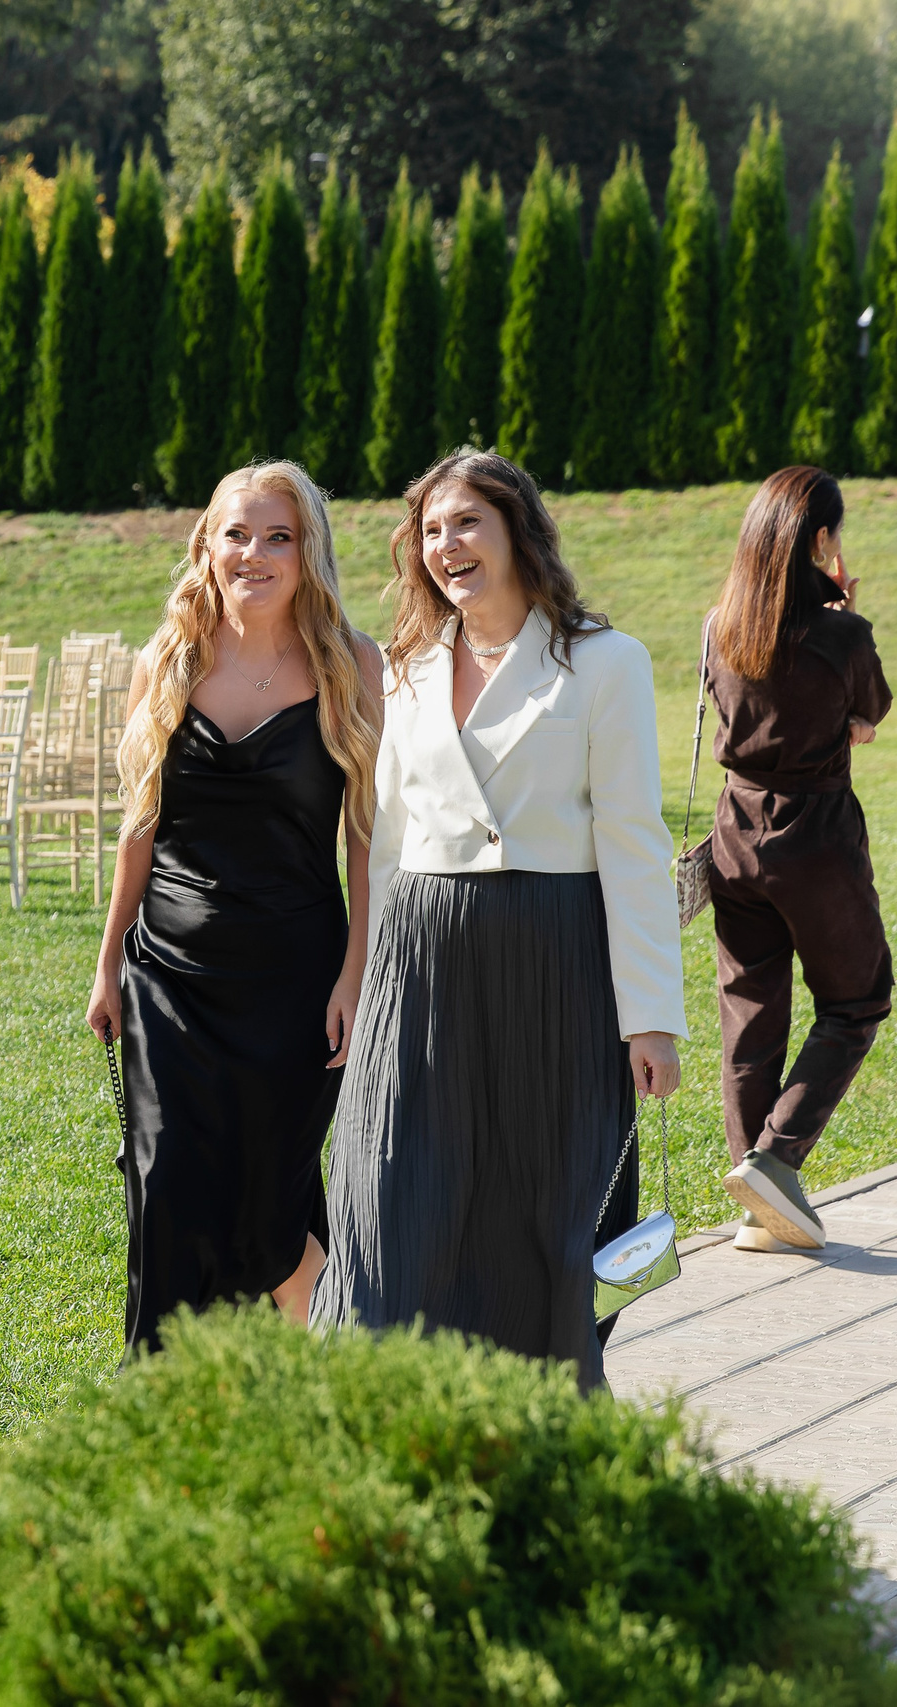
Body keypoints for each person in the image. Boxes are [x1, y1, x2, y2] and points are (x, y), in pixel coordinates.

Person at [312, 450, 684, 1392]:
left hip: (555, 966)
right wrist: (363, 977)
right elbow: (386, 844)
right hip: (422, 967)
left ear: (518, 527)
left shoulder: (606, 662)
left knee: (543, 1219)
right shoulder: (405, 670)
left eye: (467, 522)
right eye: (431, 530)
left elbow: (634, 845)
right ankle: (383, 1411)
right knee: (389, 1196)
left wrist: (650, 1017)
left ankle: (541, 1419)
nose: (447, 545)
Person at [85, 461, 384, 1349]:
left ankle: (336, 1373)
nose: (254, 553)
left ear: (307, 551)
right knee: (169, 1187)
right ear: (206, 546)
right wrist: (108, 964)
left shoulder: (350, 664)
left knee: (270, 1209)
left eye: (277, 536)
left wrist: (356, 972)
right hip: (169, 979)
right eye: (237, 534)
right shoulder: (167, 660)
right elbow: (139, 826)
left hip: (297, 984)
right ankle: (162, 1399)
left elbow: (367, 837)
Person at [704, 466, 893, 1253]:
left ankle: (760, 1208)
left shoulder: (718, 627)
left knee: (750, 1019)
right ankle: (775, 1162)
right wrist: (842, 613)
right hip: (815, 841)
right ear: (820, 541)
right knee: (857, 1001)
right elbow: (871, 709)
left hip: (735, 837)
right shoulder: (843, 635)